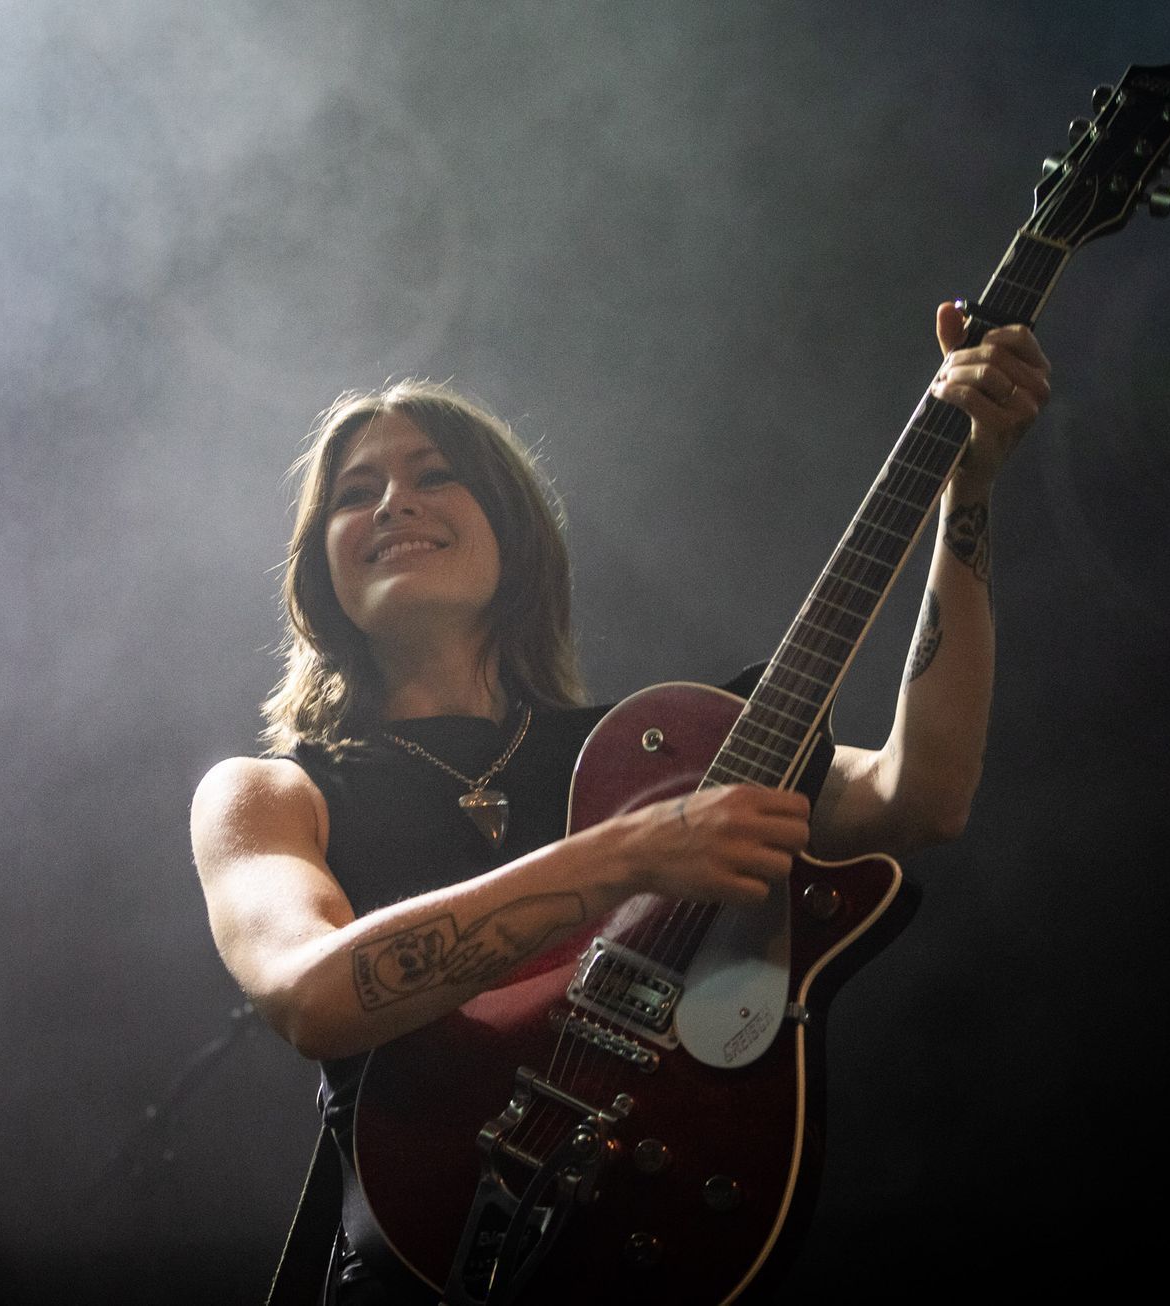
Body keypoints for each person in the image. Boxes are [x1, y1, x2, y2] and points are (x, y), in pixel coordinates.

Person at [192, 303, 1050, 1303]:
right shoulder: (268, 791)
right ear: (317, 566)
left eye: (435, 474)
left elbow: (922, 794)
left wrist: (969, 497)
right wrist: (624, 856)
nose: (392, 503)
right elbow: (311, 994)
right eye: (353, 492)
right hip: (416, 1259)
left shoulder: (658, 746)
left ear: (513, 534)